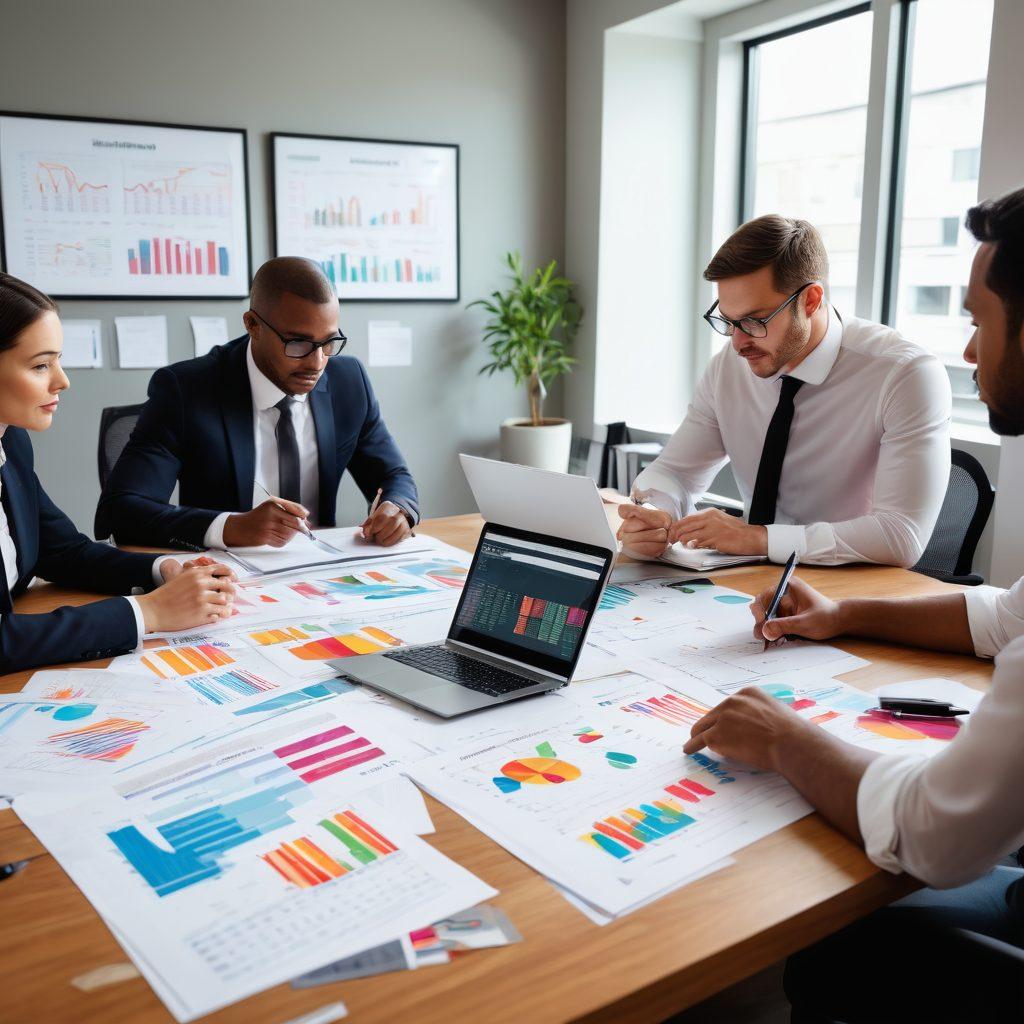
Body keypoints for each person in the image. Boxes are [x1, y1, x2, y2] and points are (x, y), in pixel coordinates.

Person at [684, 188, 1024, 1021]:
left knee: (824, 936)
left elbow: (935, 836)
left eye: (979, 320)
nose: (968, 350)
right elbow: (1003, 618)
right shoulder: (732, 368)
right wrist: (845, 616)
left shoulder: (899, 371)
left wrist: (785, 738)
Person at [618, 215, 952, 567]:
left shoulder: (904, 374)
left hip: (848, 586)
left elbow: (901, 535)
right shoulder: (729, 368)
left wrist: (760, 539)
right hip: (749, 580)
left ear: (810, 300)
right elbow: (675, 472)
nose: (738, 343)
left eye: (754, 321)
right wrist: (655, 513)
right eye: (729, 322)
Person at [95, 257, 419, 550]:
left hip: (320, 569)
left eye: (328, 342)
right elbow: (121, 510)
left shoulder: (349, 382)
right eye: (298, 343)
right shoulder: (186, 390)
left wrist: (398, 508)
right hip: (226, 573)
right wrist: (232, 527)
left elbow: (393, 474)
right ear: (253, 325)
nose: (317, 363)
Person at [0, 273, 235, 674]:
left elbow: (61, 551)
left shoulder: (11, 441)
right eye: (41, 365)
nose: (63, 380)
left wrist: (163, 570)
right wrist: (147, 613)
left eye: (58, 360)